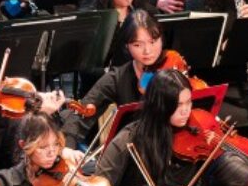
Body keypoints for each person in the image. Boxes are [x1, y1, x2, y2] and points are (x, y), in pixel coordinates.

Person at [62, 9, 175, 147]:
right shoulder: (118, 78)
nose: (147, 51)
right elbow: (81, 115)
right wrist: (66, 148)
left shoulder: (175, 65)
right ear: (127, 46)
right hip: (136, 148)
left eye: (153, 42)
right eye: (137, 45)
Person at [95, 68, 197, 186]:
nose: (186, 111)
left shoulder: (193, 135)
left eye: (188, 102)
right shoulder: (128, 139)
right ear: (160, 106)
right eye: (178, 105)